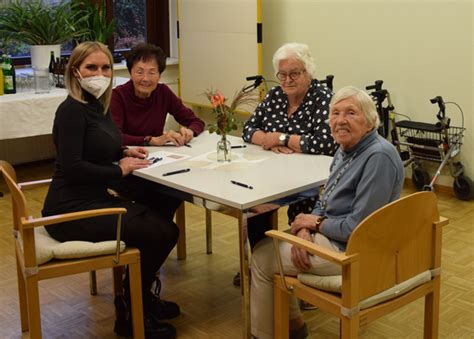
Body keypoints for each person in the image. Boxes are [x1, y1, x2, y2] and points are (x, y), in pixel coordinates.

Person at [42, 41, 179, 339]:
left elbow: (101, 145)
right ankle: (131, 312)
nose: (100, 73)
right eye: (91, 67)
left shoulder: (98, 106)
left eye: (105, 67)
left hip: (94, 198)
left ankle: (138, 300)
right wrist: (120, 169)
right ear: (75, 71)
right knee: (160, 232)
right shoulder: (71, 111)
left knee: (162, 225)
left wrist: (125, 150)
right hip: (69, 209)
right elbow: (72, 167)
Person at [249, 86, 405, 339]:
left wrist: (316, 224)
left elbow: (359, 228)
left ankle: (268, 333)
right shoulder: (346, 148)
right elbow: (325, 199)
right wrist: (302, 229)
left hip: (353, 251)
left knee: (262, 258)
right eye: (335, 113)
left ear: (370, 122)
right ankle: (293, 328)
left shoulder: (378, 157)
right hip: (333, 235)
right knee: (269, 248)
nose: (340, 120)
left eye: (351, 113)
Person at [234, 43, 338, 287]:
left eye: (295, 73)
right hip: (274, 172)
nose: (288, 80)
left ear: (308, 73)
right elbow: (249, 128)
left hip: (312, 179)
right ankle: (261, 262)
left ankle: (301, 270)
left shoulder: (323, 98)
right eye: (283, 74)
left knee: (307, 205)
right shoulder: (274, 96)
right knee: (256, 203)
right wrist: (266, 139)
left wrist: (281, 138)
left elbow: (325, 142)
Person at [111, 42, 205, 147]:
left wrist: (190, 131)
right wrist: (151, 140)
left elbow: (196, 122)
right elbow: (114, 136)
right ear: (130, 73)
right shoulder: (118, 96)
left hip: (157, 154)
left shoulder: (163, 92)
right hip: (126, 155)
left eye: (152, 72)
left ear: (159, 75)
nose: (145, 79)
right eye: (139, 72)